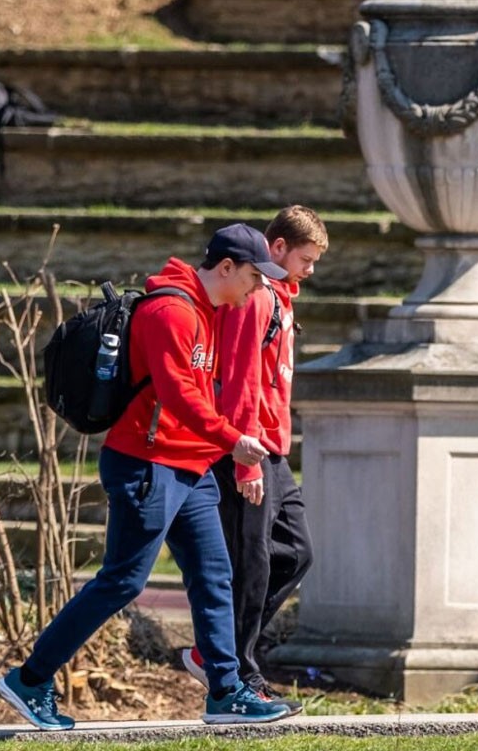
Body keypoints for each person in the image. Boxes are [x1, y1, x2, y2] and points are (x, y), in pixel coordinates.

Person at [0, 224, 297, 730]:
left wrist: (216, 445)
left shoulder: (208, 311)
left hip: (190, 466)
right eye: (252, 276)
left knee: (214, 575)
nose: (257, 288)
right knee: (122, 581)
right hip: (147, 465)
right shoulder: (170, 312)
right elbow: (180, 395)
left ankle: (226, 692)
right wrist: (232, 439)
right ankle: (30, 679)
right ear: (226, 268)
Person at [176, 206, 327, 711]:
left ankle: (215, 650)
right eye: (305, 259)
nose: (310, 270)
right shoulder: (255, 298)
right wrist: (243, 460)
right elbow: (238, 380)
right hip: (247, 446)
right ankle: (235, 671)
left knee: (295, 552)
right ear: (277, 248)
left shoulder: (281, 298)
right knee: (251, 562)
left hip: (273, 448)